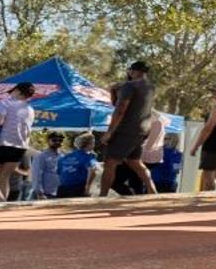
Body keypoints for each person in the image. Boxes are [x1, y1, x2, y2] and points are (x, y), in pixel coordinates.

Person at [99, 62, 158, 196]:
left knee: (110, 162)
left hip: (126, 129)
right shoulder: (150, 87)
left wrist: (109, 132)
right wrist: (114, 92)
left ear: (131, 71)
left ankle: (102, 196)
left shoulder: (129, 86)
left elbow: (119, 109)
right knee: (134, 161)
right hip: (143, 129)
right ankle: (152, 190)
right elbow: (123, 104)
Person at [0, 82, 37, 202]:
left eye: (12, 91)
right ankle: (2, 208)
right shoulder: (30, 109)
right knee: (3, 178)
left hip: (1, 144)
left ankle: (1, 202)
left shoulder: (4, 102)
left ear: (17, 91)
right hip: (20, 147)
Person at [55, 133, 100, 198]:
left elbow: (59, 172)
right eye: (93, 143)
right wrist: (87, 188)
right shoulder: (89, 156)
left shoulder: (66, 156)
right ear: (89, 144)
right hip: (77, 189)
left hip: (62, 189)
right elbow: (92, 170)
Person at [30, 133, 63, 200]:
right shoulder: (41, 156)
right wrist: (39, 192)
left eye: (60, 140)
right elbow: (36, 175)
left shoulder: (63, 156)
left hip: (60, 192)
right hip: (46, 193)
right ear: (48, 141)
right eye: (54, 140)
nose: (57, 142)